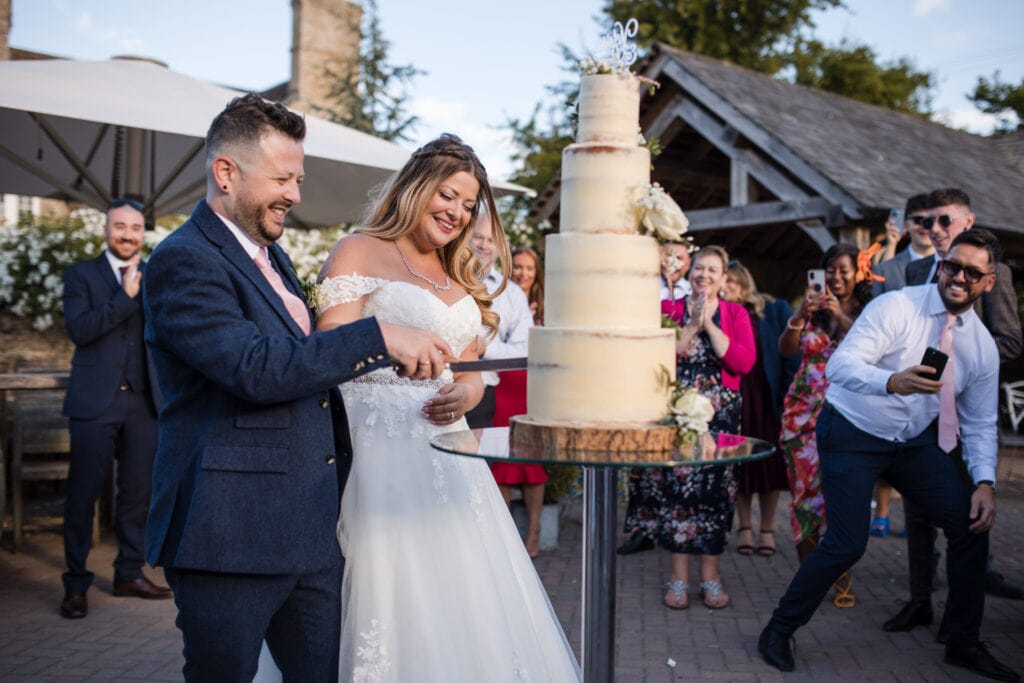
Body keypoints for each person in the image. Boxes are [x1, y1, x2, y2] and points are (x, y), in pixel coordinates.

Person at [143, 93, 452, 681]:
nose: (295, 193)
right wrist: (378, 335)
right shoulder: (183, 261)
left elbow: (307, 365)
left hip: (309, 531)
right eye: (283, 177)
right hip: (227, 535)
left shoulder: (272, 256)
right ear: (226, 173)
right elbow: (256, 369)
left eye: (299, 178)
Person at [315, 133, 580, 680]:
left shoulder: (458, 271)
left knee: (469, 597)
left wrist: (470, 392)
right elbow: (325, 347)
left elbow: (469, 367)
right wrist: (387, 339)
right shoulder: (358, 250)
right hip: (380, 452)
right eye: (448, 196)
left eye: (468, 204)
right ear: (417, 187)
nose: (458, 213)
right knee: (394, 593)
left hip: (454, 452)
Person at [760, 229, 1019, 683]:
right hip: (852, 431)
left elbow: (979, 424)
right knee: (847, 543)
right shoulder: (896, 306)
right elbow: (840, 367)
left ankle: (962, 642)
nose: (958, 276)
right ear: (942, 265)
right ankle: (778, 630)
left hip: (911, 442)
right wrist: (891, 381)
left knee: (971, 524)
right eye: (952, 265)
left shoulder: (981, 347)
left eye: (972, 272)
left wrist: (985, 484)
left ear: (989, 282)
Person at [887, 188, 1024, 635]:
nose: (934, 230)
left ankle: (967, 605)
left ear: (967, 222)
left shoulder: (994, 273)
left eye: (945, 221)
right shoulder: (914, 269)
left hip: (965, 417)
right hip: (917, 411)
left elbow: (1010, 343)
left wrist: (961, 362)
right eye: (927, 223)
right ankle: (920, 599)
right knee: (917, 514)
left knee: (969, 513)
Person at [624, 245, 755, 609]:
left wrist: (710, 325)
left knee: (716, 495)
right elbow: (664, 354)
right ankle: (678, 579)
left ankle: (711, 579)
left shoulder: (735, 313)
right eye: (699, 268)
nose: (704, 275)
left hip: (721, 417)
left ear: (723, 278)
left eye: (713, 270)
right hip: (679, 416)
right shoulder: (669, 309)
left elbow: (743, 362)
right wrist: (692, 324)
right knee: (678, 494)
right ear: (689, 270)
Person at [58, 198, 168, 620]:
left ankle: (128, 573)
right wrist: (124, 297)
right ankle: (75, 584)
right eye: (120, 226)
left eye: (135, 228)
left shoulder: (156, 275)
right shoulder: (81, 275)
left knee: (137, 495)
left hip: (144, 402)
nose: (127, 235)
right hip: (93, 402)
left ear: (144, 232)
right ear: (107, 229)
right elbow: (79, 331)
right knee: (83, 495)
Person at [778, 243, 873, 609]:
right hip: (802, 418)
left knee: (842, 499)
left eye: (843, 270)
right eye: (829, 270)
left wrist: (842, 317)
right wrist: (800, 314)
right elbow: (786, 350)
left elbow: (875, 352)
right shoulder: (812, 311)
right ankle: (810, 578)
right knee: (804, 499)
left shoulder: (870, 311)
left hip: (850, 415)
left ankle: (841, 573)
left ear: (859, 273)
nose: (835, 276)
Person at [466, 216, 547, 558]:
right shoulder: (441, 274)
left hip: (484, 392)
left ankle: (483, 546)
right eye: (478, 237)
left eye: (491, 239)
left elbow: (527, 348)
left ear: (500, 247)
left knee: (478, 473)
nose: (484, 244)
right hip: (433, 388)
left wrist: (487, 349)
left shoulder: (511, 294)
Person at [617, 241, 693, 557]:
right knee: (644, 457)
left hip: (684, 379)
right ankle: (642, 528)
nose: (673, 260)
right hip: (646, 378)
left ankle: (675, 526)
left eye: (680, 255)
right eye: (667, 253)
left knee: (679, 456)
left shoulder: (693, 291)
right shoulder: (644, 288)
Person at [723, 260, 799, 558]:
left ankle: (766, 528)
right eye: (723, 281)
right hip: (736, 399)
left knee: (770, 464)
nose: (727, 287)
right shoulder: (719, 314)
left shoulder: (773, 309)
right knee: (739, 464)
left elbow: (790, 355)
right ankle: (744, 526)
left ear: (743, 283)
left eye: (732, 281)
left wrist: (786, 395)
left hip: (766, 395)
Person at [871, 193, 932, 296]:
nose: (924, 227)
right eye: (918, 220)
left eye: (929, 221)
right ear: (906, 224)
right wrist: (891, 244)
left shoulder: (950, 267)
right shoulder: (883, 270)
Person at [511, 246, 545, 325]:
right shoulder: (498, 301)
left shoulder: (544, 304)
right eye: (517, 267)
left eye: (529, 269)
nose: (523, 273)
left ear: (536, 273)